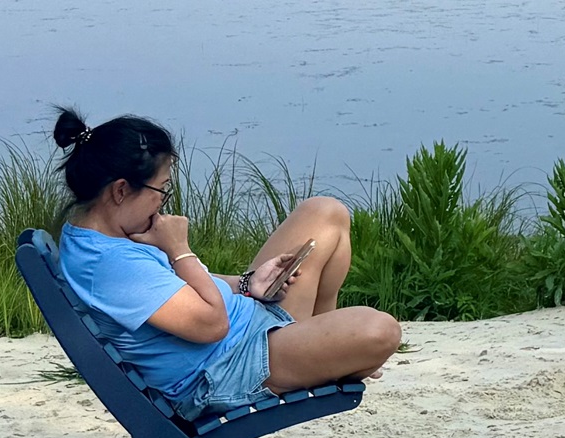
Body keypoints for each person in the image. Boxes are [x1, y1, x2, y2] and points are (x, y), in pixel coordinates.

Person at [49, 108, 400, 415]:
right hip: (226, 367)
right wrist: (179, 249)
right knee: (380, 331)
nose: (164, 202)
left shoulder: (107, 236)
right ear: (121, 190)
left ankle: (328, 350)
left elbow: (169, 289)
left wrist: (247, 284)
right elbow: (211, 326)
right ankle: (334, 353)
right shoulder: (110, 265)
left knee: (326, 213)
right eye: (161, 189)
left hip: (249, 332)